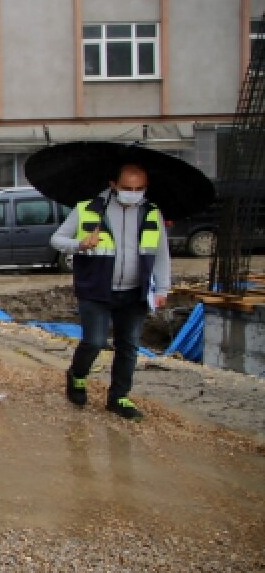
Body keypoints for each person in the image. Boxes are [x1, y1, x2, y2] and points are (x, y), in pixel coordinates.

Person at [51, 163, 170, 420]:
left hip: (135, 292)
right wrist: (80, 244)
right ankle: (77, 376)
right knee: (94, 341)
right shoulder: (87, 209)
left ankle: (119, 397)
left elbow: (161, 254)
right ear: (113, 185)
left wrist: (162, 288)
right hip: (95, 289)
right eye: (127, 188)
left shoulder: (152, 213)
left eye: (139, 188)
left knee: (129, 346)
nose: (133, 193)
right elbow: (57, 239)